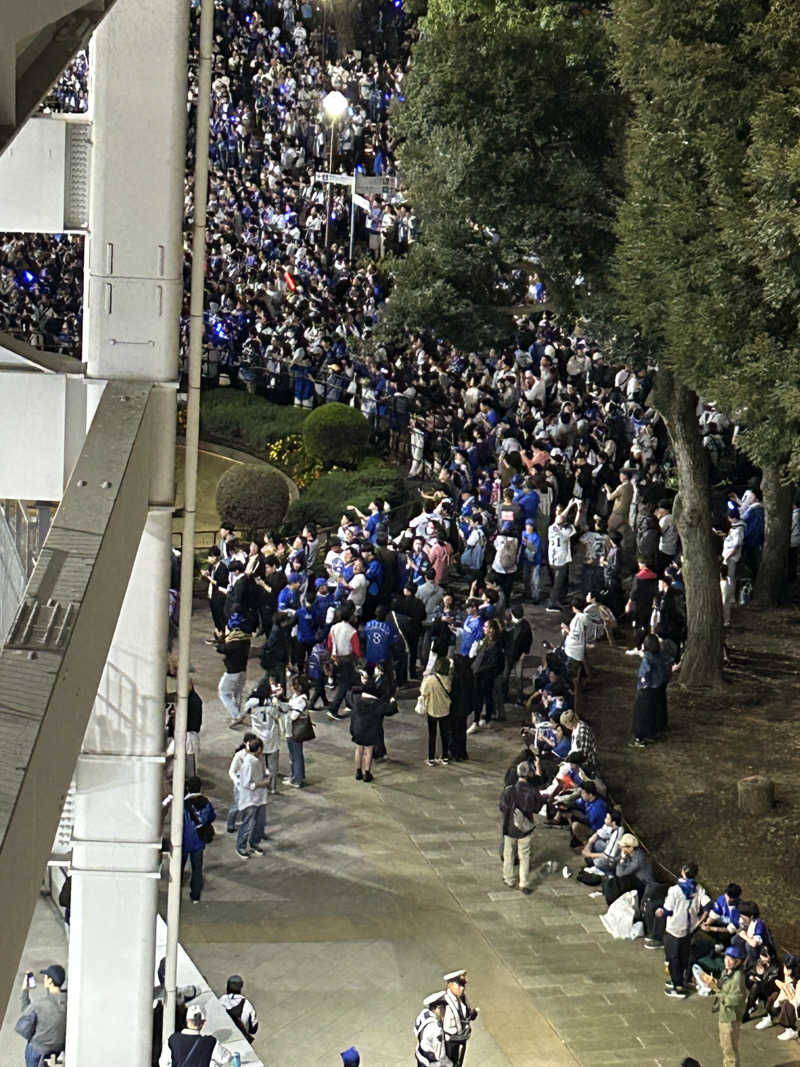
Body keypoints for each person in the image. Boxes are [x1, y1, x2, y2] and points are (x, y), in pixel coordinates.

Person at [656, 862, 711, 997]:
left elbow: (668, 910)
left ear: (683, 872)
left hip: (674, 928)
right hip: (689, 928)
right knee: (683, 956)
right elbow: (709, 905)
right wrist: (700, 921)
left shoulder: (674, 890)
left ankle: (677, 987)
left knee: (672, 957)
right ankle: (679, 979)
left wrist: (660, 912)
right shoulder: (698, 889)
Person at [697, 945, 747, 1066]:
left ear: (738, 962)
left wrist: (716, 990)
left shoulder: (737, 977)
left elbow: (735, 999)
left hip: (730, 1017)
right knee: (725, 1045)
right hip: (724, 1014)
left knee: (729, 1049)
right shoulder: (726, 972)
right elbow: (722, 988)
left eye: (731, 960)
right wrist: (712, 983)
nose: (727, 962)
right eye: (726, 958)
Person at [498, 761, 541, 894]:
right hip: (525, 827)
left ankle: (509, 878)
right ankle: (524, 882)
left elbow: (502, 807)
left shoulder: (509, 790)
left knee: (508, 853)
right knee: (524, 855)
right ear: (529, 774)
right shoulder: (532, 791)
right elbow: (537, 808)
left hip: (510, 826)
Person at [15, 964, 67, 1067]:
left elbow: (23, 1028)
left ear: (50, 981)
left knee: (31, 1047)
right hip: (58, 1049)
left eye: (46, 977)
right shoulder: (69, 1000)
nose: (43, 978)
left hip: (38, 1051)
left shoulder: (39, 1005)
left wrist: (25, 990)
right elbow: (54, 1000)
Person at [630, 634, 673, 747]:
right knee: (654, 712)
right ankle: (652, 734)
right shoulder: (662, 657)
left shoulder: (648, 658)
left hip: (647, 689)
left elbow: (644, 673)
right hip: (658, 688)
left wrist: (643, 684)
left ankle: (640, 739)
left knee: (641, 715)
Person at [159, 1002, 234, 1066]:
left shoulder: (172, 1039)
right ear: (203, 1022)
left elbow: (163, 1063)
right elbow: (226, 1058)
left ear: (186, 1020)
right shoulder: (211, 1042)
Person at [182, 777, 216, 904]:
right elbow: (211, 817)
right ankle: (195, 896)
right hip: (198, 841)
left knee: (180, 865)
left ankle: (177, 887)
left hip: (184, 841)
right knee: (197, 869)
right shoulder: (206, 802)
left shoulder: (184, 804)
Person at [349, 675, 390, 781]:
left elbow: (352, 716)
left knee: (359, 749)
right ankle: (367, 773)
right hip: (370, 732)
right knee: (368, 750)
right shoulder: (376, 704)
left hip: (358, 730)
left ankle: (358, 772)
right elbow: (390, 710)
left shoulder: (357, 702)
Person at [235, 737, 269, 859]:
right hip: (250, 799)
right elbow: (246, 783)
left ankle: (254, 843)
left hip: (260, 797)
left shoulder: (259, 759)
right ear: (259, 749)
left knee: (259, 823)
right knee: (247, 824)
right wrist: (262, 783)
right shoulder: (249, 763)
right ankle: (241, 847)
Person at [419, 654, 452, 766]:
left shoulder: (430, 680)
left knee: (432, 735)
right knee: (445, 734)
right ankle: (445, 757)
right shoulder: (448, 680)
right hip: (445, 710)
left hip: (432, 710)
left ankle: (431, 758)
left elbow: (423, 692)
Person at [442, 970, 478, 1066]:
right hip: (451, 1042)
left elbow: (465, 1013)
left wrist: (471, 1015)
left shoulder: (462, 997)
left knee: (458, 1062)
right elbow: (446, 1029)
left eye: (463, 985)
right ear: (450, 985)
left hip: (462, 1038)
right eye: (459, 985)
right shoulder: (445, 1004)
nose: (462, 988)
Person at [414, 992, 452, 1067]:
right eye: (443, 1007)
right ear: (436, 1009)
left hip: (420, 1054)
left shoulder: (424, 1013)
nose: (445, 1010)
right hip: (431, 1063)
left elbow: (415, 1030)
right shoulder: (437, 1029)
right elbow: (440, 1055)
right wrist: (449, 1064)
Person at [219, 974, 259, 1043]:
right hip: (239, 1041)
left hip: (222, 1039)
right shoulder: (247, 1005)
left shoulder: (220, 1001)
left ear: (227, 986)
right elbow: (253, 1029)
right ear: (241, 987)